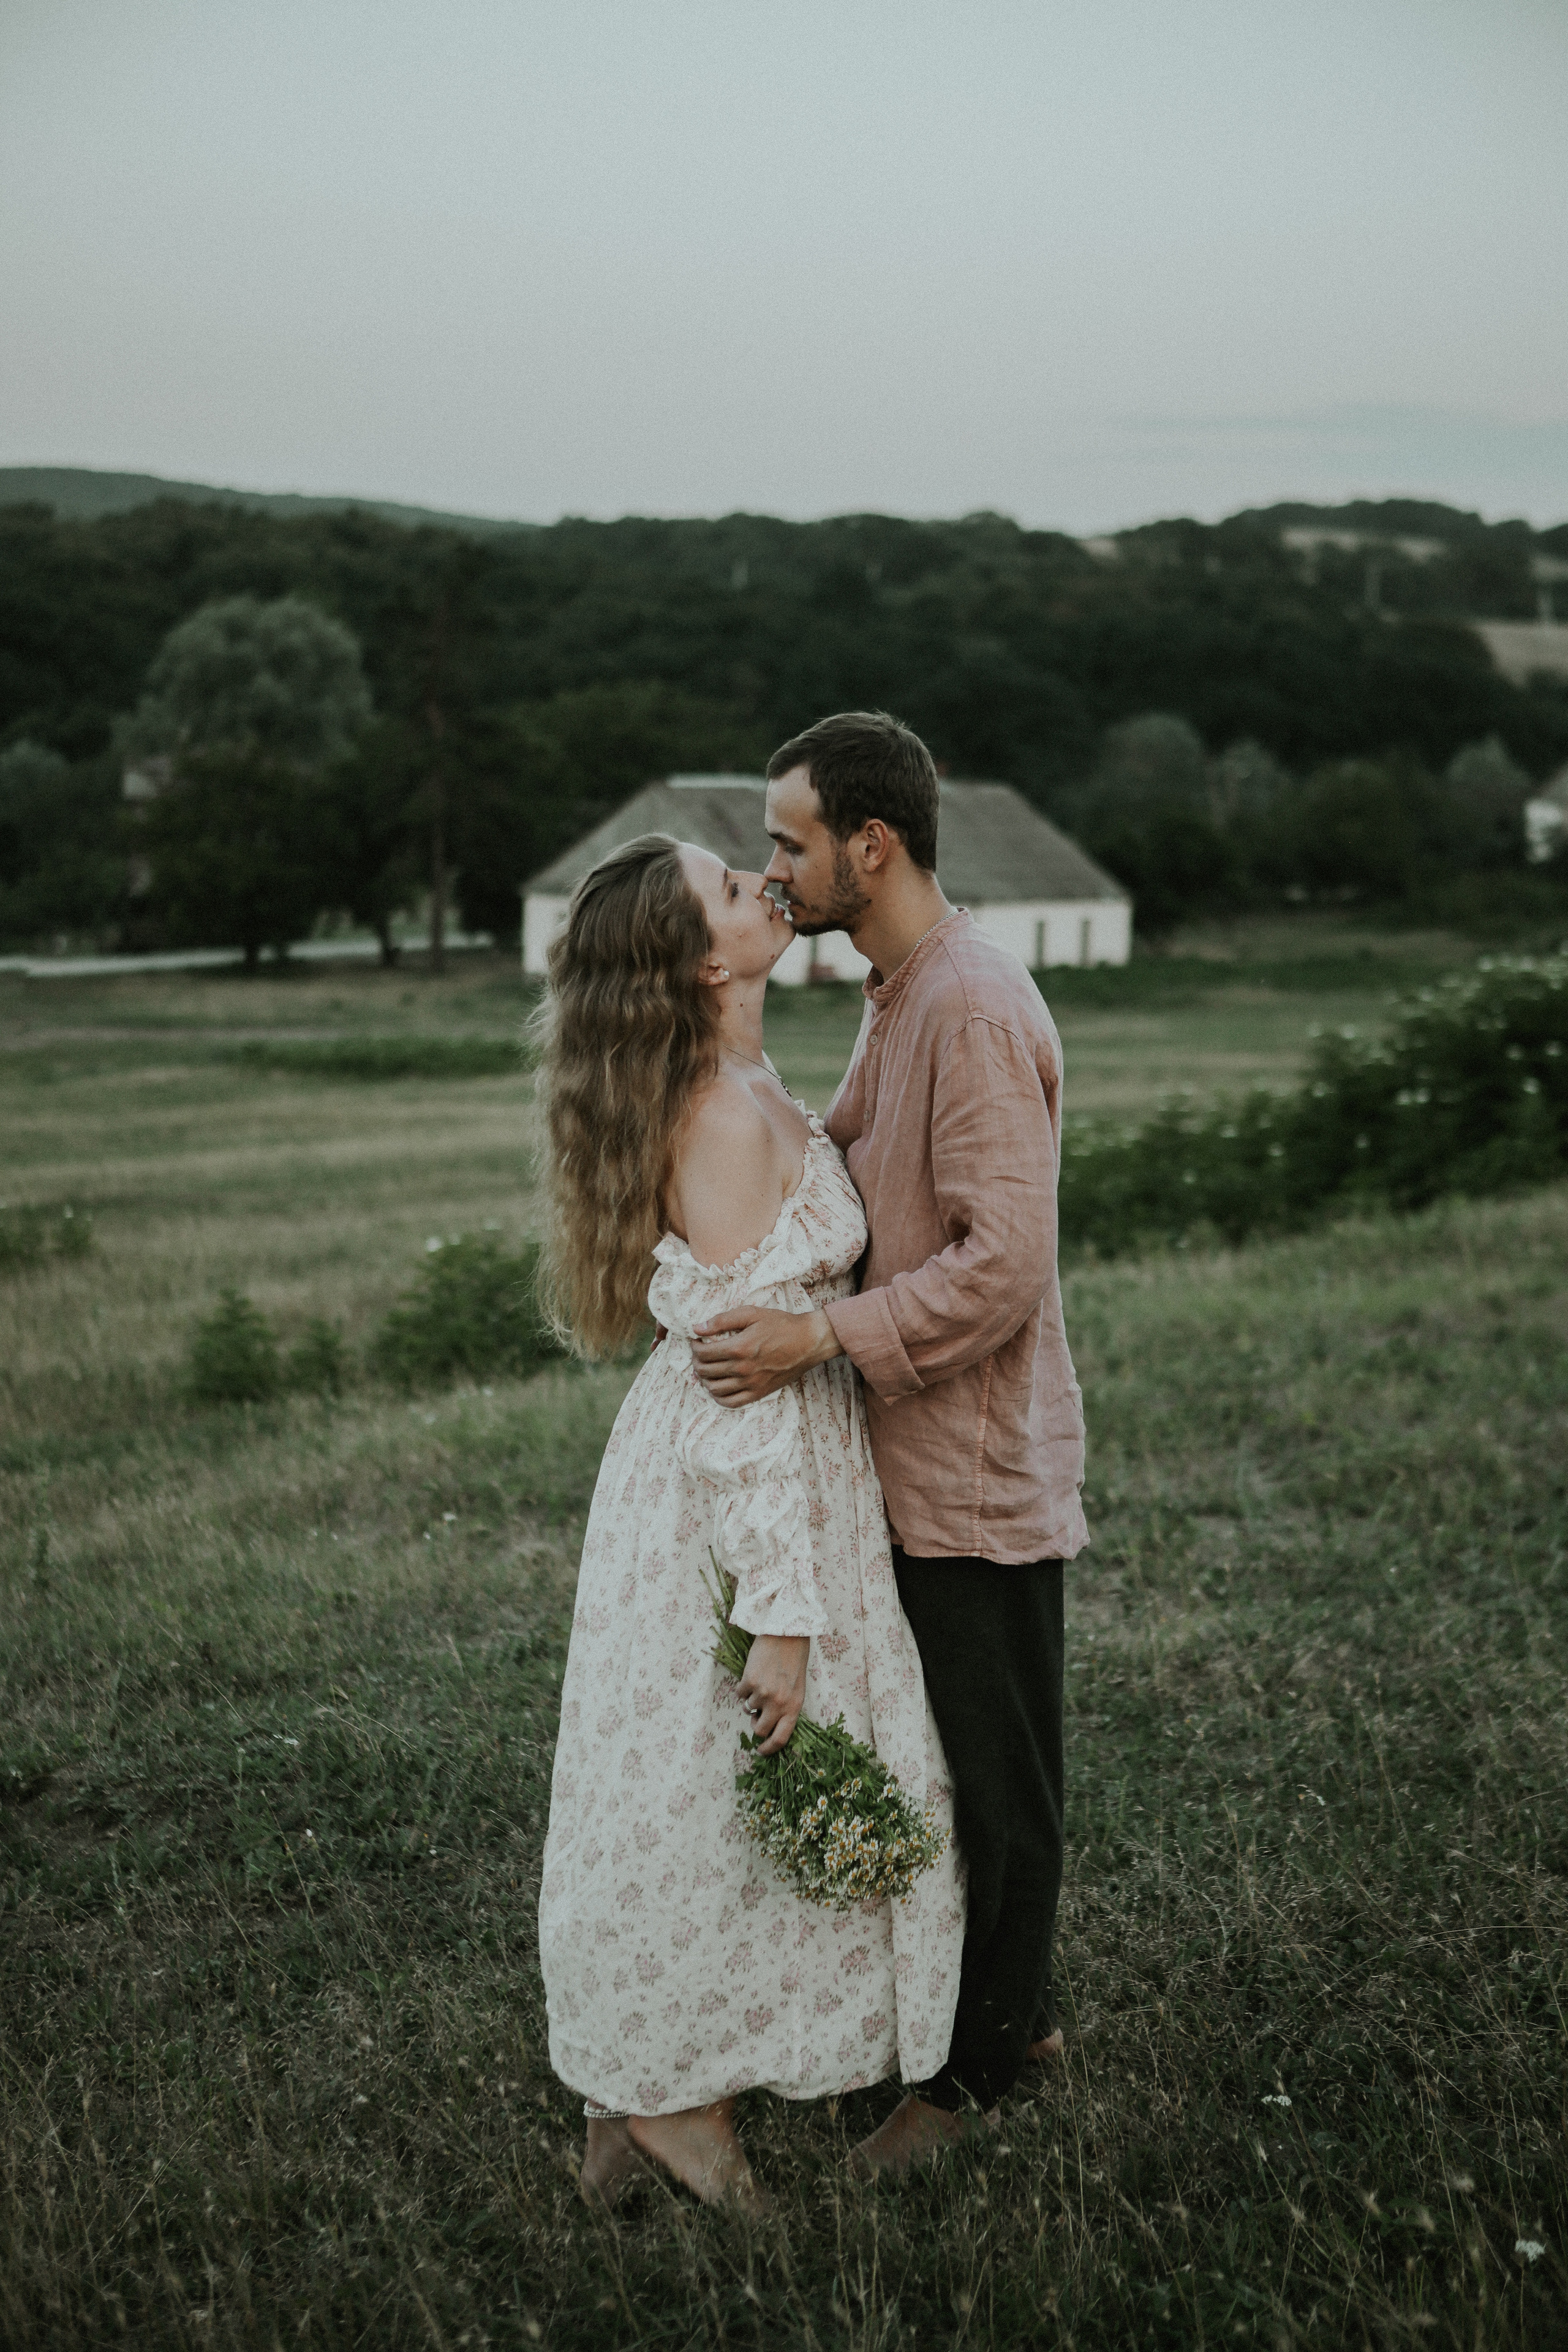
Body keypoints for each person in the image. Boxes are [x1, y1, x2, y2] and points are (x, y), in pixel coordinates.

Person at [533, 831, 964, 2212]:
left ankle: (642, 2101)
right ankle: (675, 2103)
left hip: (796, 1466)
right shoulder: (718, 1121)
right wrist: (777, 1616)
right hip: (735, 1495)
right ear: (700, 960)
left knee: (707, 1796)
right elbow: (735, 1391)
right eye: (731, 886)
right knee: (712, 1789)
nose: (761, 883)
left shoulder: (751, 1078)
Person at [690, 710, 1089, 2178]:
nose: (771, 867)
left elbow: (1001, 1265)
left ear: (871, 843)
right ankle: (989, 2027)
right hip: (901, 1466)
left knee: (1002, 1785)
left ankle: (981, 2079)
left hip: (971, 1464)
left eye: (788, 841)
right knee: (945, 1765)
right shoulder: (896, 987)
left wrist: (817, 1341)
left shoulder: (969, 1005)